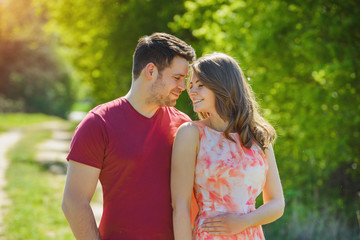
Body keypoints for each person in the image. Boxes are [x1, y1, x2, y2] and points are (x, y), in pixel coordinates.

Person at [62, 32, 196, 240]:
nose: (182, 87)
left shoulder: (184, 126)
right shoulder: (99, 123)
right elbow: (74, 201)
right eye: (177, 78)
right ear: (151, 71)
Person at [171, 52, 284, 240]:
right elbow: (180, 207)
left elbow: (277, 203)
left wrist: (244, 221)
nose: (192, 92)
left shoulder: (258, 136)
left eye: (200, 85)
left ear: (222, 86)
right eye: (191, 85)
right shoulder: (191, 134)